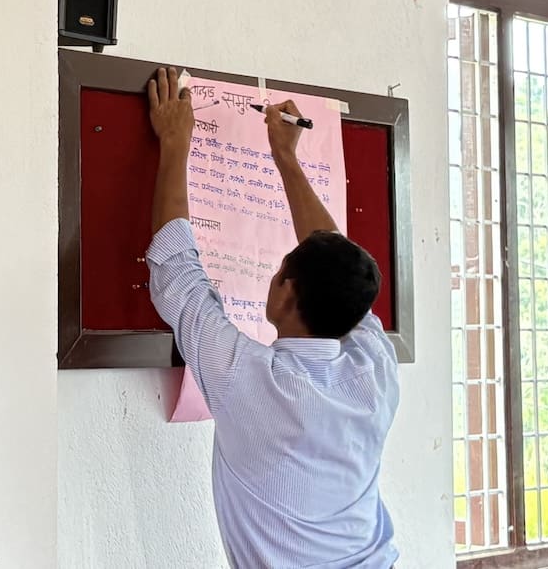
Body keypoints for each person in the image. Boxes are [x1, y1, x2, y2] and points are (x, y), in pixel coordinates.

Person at [144, 67, 400, 569]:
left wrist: (175, 142)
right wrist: (285, 157)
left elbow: (177, 271)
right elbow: (332, 257)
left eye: (280, 268)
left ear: (284, 293)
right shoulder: (374, 368)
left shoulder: (255, 383)